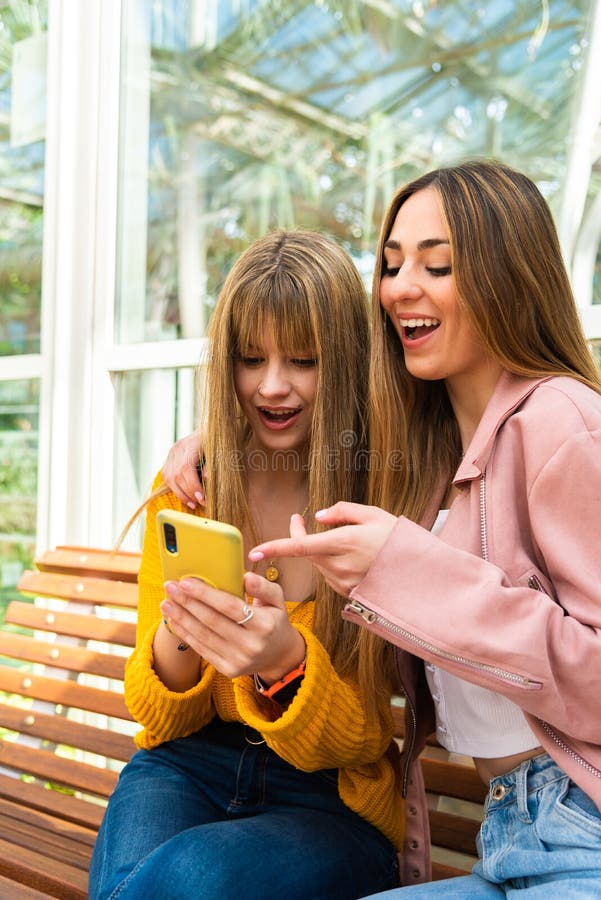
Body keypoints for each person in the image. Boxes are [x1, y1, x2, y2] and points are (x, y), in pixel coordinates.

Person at [245, 162, 601, 897]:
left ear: (508, 276)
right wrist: (201, 452)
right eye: (391, 263)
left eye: (436, 264)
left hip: (582, 833)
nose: (398, 286)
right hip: (506, 839)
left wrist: (408, 575)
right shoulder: (429, 455)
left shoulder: (561, 422)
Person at [88, 230, 403, 900]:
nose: (272, 386)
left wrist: (282, 663)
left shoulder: (379, 498)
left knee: (181, 880)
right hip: (185, 764)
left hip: (325, 801)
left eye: (304, 360)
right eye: (250, 358)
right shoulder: (190, 490)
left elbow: (365, 733)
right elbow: (161, 721)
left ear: (344, 359)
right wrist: (183, 628)